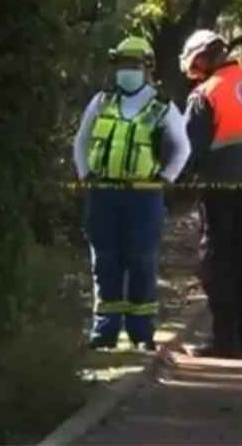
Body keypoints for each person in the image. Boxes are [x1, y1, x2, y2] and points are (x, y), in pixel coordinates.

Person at [74, 36, 191, 350]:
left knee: (141, 260)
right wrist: (85, 174)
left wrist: (167, 178)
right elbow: (82, 141)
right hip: (104, 193)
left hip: (143, 196)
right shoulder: (102, 101)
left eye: (134, 65)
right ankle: (105, 332)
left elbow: (183, 147)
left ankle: (142, 333)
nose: (128, 71)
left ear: (147, 68)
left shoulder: (162, 106)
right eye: (123, 65)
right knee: (105, 261)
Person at [181, 29, 242, 358]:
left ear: (204, 59)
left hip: (219, 188)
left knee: (217, 262)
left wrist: (177, 181)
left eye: (195, 65)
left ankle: (224, 339)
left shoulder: (205, 94)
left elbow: (191, 150)